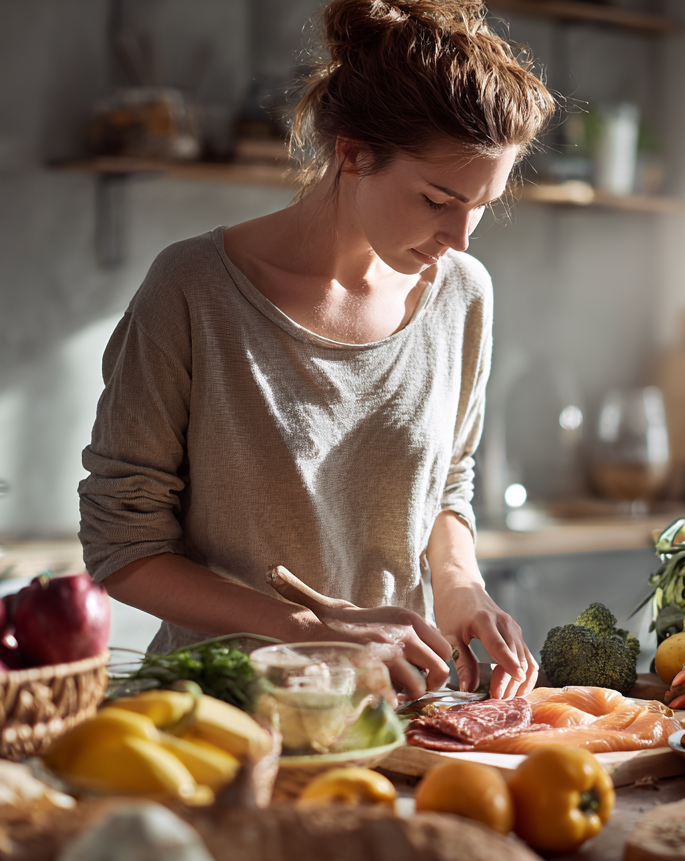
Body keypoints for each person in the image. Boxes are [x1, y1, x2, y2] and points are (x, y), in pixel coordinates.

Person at [77, 0, 555, 700]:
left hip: (395, 714)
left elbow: (448, 482)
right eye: (436, 199)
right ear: (353, 151)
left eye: (481, 206)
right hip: (215, 713)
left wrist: (459, 588)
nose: (461, 237)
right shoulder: (193, 289)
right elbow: (123, 549)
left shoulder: (463, 294)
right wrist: (307, 628)